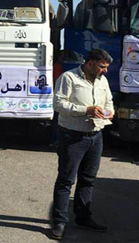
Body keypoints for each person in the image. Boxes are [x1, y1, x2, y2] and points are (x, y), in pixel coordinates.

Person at [50, 48, 114, 240]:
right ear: (90, 63)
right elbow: (58, 104)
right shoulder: (69, 78)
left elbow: (109, 102)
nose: (105, 71)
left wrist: (109, 112)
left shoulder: (103, 80)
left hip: (96, 136)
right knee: (66, 180)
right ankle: (59, 222)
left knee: (88, 179)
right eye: (102, 66)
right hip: (72, 137)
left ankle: (83, 218)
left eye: (106, 67)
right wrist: (85, 110)